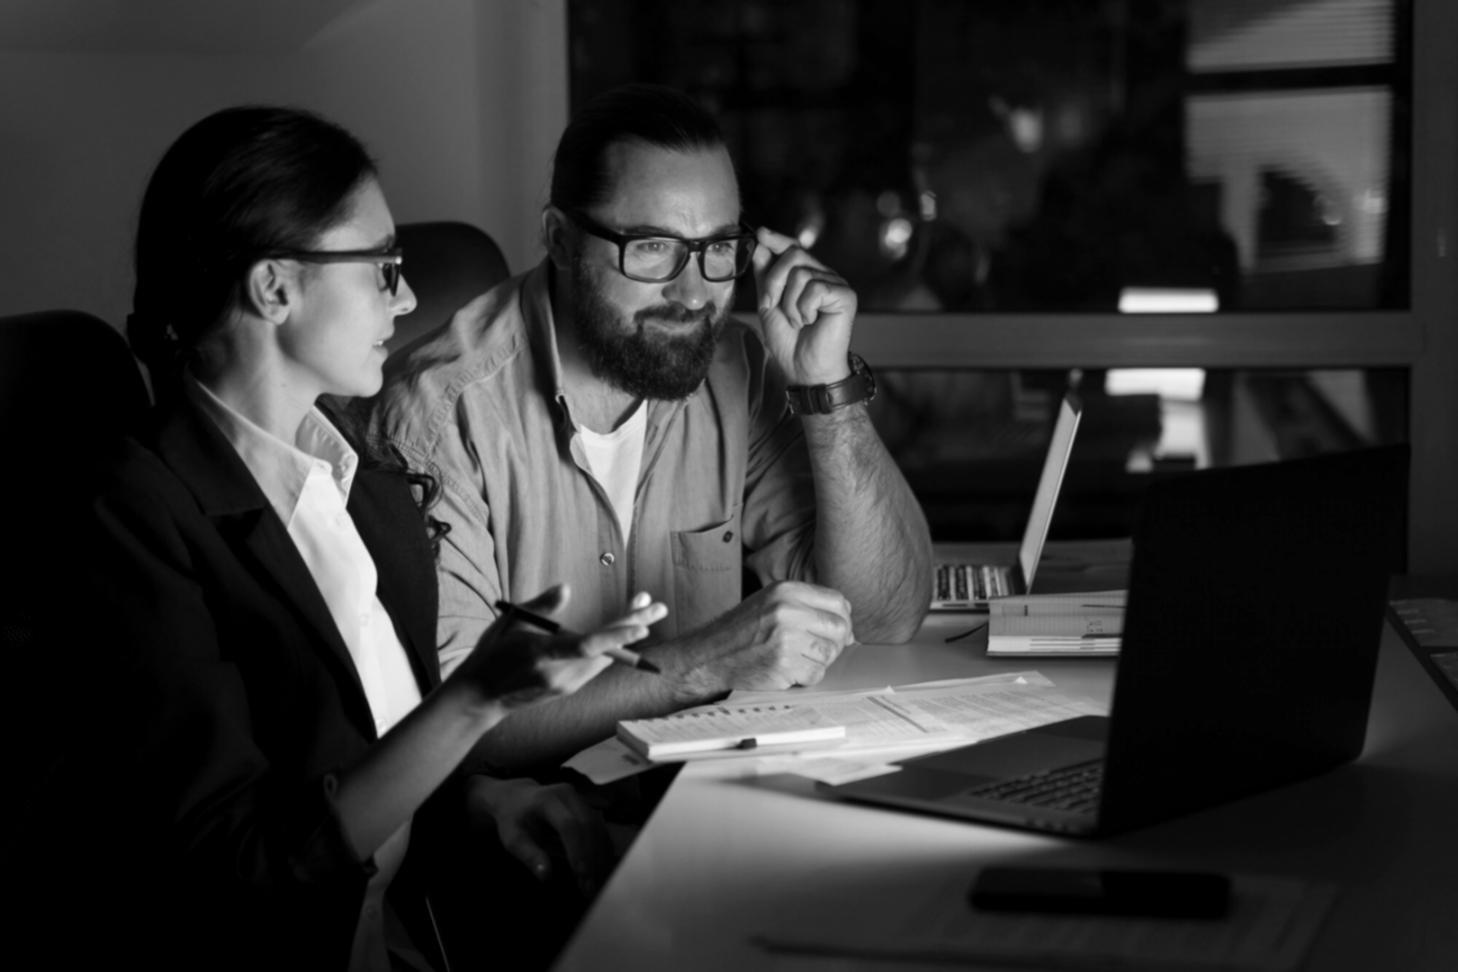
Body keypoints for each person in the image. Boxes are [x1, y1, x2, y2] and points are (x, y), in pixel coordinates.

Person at [14, 105, 665, 972]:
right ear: (275, 286)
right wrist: (477, 699)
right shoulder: (127, 519)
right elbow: (240, 865)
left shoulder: (362, 479)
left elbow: (372, 759)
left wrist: (478, 802)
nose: (404, 297)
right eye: (383, 267)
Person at [372, 83, 934, 770]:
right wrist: (702, 664)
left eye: (717, 248)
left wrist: (828, 390)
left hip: (705, 798)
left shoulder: (737, 372)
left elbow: (883, 616)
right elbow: (454, 730)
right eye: (652, 249)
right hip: (539, 841)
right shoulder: (437, 415)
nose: (693, 293)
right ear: (559, 238)